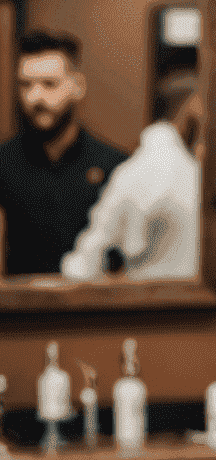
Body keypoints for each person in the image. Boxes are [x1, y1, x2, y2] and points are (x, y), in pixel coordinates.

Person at [0, 30, 128, 274]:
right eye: (25, 84)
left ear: (78, 86)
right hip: (22, 309)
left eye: (49, 84)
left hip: (96, 308)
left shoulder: (115, 167)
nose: (35, 97)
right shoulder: (4, 164)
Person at [60, 77, 203, 281]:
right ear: (190, 110)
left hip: (147, 297)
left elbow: (88, 258)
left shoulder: (132, 171)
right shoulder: (186, 171)